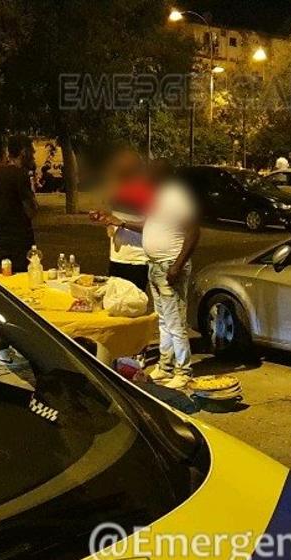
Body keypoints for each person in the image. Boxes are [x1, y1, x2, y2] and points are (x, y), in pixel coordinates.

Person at [99, 166, 200, 390]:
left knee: (175, 321)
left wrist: (177, 265)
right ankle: (165, 366)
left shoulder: (176, 199)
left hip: (170, 265)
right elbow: (149, 225)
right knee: (163, 320)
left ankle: (183, 370)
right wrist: (121, 223)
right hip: (154, 265)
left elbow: (193, 232)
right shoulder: (157, 199)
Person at [96, 149, 153, 291]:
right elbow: (114, 216)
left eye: (120, 165)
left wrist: (123, 224)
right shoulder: (117, 189)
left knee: (133, 304)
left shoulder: (146, 190)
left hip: (137, 260)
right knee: (115, 303)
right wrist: (103, 216)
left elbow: (154, 226)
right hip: (117, 257)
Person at [0, 136, 38, 271]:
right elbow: (31, 210)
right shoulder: (20, 175)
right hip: (19, 244)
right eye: (32, 150)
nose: (33, 154)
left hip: (2, 241)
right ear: (23, 151)